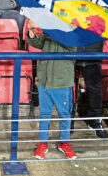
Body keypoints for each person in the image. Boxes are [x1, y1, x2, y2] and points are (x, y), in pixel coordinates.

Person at [61, 0, 108, 139]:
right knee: (67, 87)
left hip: (92, 45)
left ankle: (95, 120)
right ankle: (68, 120)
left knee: (94, 86)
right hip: (69, 45)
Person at [28, 20, 77, 160]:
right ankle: (43, 143)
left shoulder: (71, 32)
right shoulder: (50, 29)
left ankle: (64, 142)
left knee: (64, 114)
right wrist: (32, 30)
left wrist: (47, 26)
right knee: (44, 114)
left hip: (62, 81)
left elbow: (70, 47)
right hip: (45, 79)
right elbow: (38, 43)